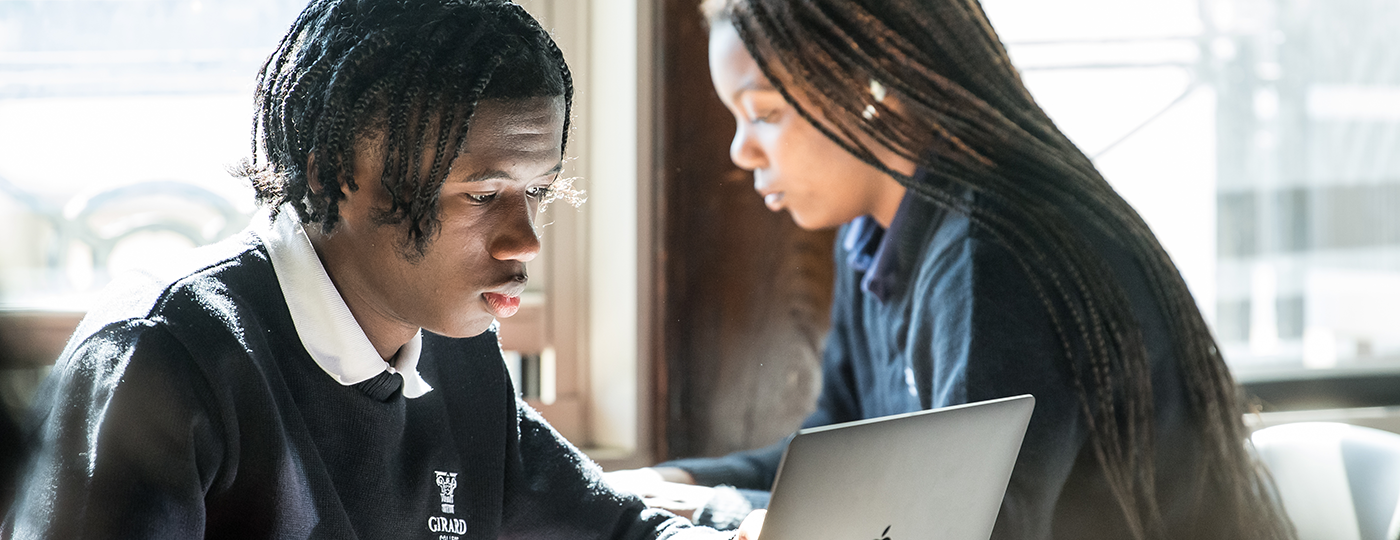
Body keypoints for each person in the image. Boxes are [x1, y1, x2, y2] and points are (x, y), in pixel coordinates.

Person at [1, 1, 754, 539]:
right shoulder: (162, 357)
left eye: (538, 194)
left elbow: (607, 523)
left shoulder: (454, 347)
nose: (525, 239)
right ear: (335, 177)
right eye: (485, 195)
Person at [609, 1, 1295, 539]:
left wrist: (718, 511)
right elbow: (834, 452)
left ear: (869, 88)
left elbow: (969, 526)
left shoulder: (993, 261)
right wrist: (674, 481)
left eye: (763, 114)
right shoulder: (872, 233)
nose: (741, 152)